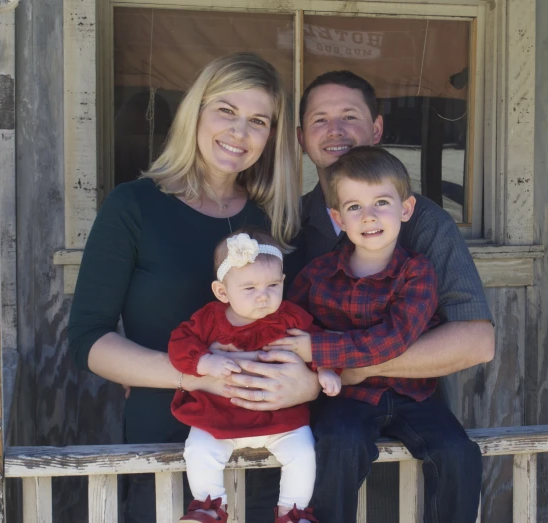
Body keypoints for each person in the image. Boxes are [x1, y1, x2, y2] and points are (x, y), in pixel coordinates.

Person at [223, 71, 495, 521]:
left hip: (408, 415)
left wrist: (335, 366)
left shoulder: (422, 224)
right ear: (301, 138)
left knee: (442, 466)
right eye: (320, 120)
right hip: (297, 430)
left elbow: (477, 341)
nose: (336, 131)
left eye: (350, 116)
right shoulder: (282, 221)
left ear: (377, 130)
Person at [67, 53, 306, 523]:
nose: (239, 132)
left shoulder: (270, 220)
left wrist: (309, 385)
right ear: (195, 111)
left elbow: (301, 331)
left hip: (268, 448)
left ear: (271, 136)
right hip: (165, 441)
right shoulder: (133, 206)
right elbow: (88, 340)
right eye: (226, 111)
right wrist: (194, 375)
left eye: (258, 120)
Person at [284, 146, 481, 523]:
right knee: (338, 442)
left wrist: (319, 348)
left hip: (413, 393)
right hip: (347, 395)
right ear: (338, 217)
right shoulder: (319, 273)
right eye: (354, 207)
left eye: (381, 202)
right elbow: (293, 320)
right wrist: (311, 356)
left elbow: (396, 337)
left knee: (458, 453)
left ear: (405, 210)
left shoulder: (417, 272)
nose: (369, 216)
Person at [168, 229, 338, 523]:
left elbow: (317, 343)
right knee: (199, 447)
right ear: (223, 292)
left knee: (303, 451)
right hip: (219, 416)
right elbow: (179, 344)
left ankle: (292, 512)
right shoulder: (209, 319)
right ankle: (207, 507)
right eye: (250, 289)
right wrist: (205, 361)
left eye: (273, 285)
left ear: (284, 282)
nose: (264, 296)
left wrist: (325, 369)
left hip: (281, 419)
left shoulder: (291, 317)